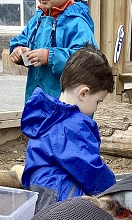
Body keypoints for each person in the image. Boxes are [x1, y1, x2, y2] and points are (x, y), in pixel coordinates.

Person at [21, 45, 116, 202]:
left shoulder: (46, 119)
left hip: (40, 200)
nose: (96, 108)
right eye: (98, 101)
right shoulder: (74, 126)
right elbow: (92, 171)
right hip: (64, 206)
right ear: (83, 93)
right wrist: (115, 192)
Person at [9, 0, 97, 102]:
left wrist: (49, 57)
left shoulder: (77, 23)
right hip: (35, 100)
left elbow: (86, 60)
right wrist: (19, 50)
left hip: (65, 104)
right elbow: (24, 38)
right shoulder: (38, 18)